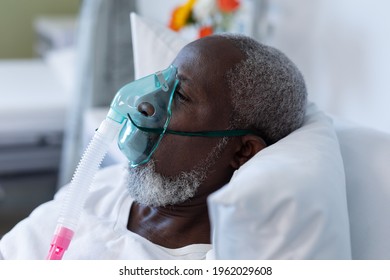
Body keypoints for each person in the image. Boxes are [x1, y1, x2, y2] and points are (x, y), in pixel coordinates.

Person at [0, 33, 307, 259]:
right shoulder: (105, 185)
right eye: (162, 82)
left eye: (181, 95)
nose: (145, 102)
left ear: (242, 151)